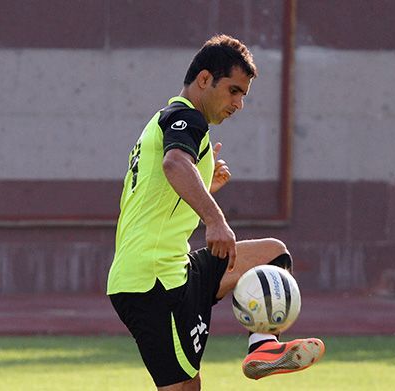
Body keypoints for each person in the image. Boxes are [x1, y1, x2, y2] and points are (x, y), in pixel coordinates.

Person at [107, 34, 325, 390]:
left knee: (272, 254)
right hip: (152, 282)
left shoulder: (170, 120)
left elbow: (160, 192)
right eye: (234, 91)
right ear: (205, 79)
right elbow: (175, 164)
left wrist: (205, 188)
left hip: (174, 269)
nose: (238, 104)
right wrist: (215, 219)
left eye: (243, 95)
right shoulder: (186, 118)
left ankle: (263, 346)